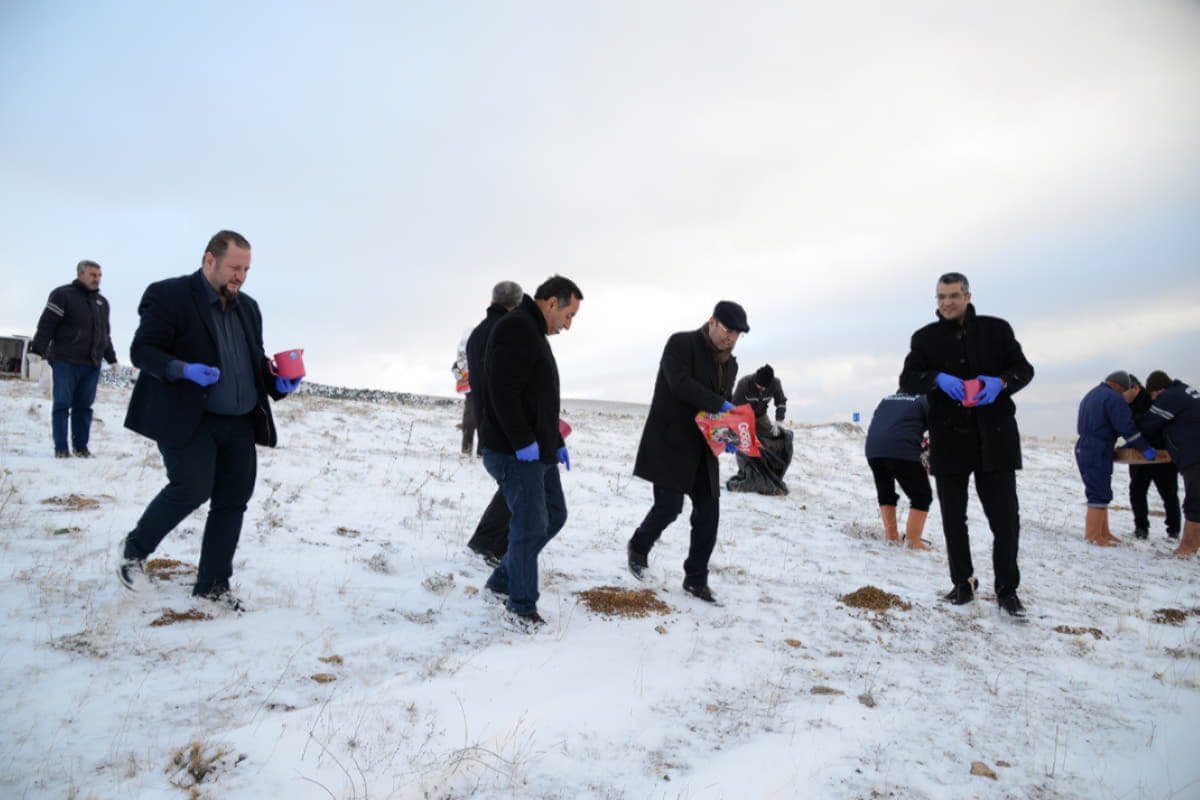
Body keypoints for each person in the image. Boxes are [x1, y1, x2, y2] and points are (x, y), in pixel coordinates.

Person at [117, 231, 302, 609]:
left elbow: (254, 361)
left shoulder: (249, 308)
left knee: (232, 501)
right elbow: (143, 350)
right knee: (191, 487)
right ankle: (132, 552)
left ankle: (213, 586)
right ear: (209, 261)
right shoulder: (168, 295)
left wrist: (278, 381)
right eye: (234, 268)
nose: (240, 277)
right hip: (189, 416)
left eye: (246, 270)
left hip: (239, 420)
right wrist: (181, 369)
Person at [899, 272, 1034, 618]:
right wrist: (935, 379)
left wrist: (1001, 382)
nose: (947, 303)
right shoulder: (924, 338)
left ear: (968, 296)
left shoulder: (997, 330)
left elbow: (1024, 369)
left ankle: (1007, 590)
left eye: (953, 296)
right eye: (941, 297)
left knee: (1005, 520)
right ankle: (963, 584)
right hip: (949, 439)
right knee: (953, 519)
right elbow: (908, 380)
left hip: (996, 438)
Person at [478, 275, 582, 629]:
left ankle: (501, 581)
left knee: (554, 515)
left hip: (539, 451)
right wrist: (522, 441)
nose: (568, 325)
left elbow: (538, 399)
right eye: (568, 315)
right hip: (513, 451)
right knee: (530, 527)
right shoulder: (517, 328)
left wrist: (556, 442)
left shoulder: (533, 330)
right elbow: (502, 391)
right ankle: (521, 609)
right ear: (551, 303)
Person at [627, 300, 748, 604]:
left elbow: (720, 409)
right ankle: (638, 547)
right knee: (669, 507)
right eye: (728, 330)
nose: (731, 338)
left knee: (709, 513)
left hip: (703, 448)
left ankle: (696, 579)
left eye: (737, 334)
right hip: (671, 442)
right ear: (712, 321)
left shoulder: (731, 364)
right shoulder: (680, 344)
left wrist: (727, 434)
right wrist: (719, 404)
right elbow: (679, 384)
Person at [30, 260, 118, 458]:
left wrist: (112, 359)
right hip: (66, 361)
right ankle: (61, 448)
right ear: (80, 275)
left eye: (99, 275)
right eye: (92, 275)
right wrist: (37, 349)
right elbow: (47, 323)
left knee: (84, 407)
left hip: (92, 364)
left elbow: (105, 335)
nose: (97, 279)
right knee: (62, 404)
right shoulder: (63, 295)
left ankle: (81, 447)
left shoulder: (102, 303)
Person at [464, 280, 523, 566]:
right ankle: (486, 543)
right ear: (517, 303)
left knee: (515, 485)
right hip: (504, 423)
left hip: (486, 417)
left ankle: (497, 546)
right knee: (517, 484)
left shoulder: (477, 333)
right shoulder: (508, 332)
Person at [1074, 370, 1155, 547]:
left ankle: (1104, 532)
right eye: (1124, 390)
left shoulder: (1092, 394)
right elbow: (1126, 427)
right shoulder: (1113, 398)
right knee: (1098, 492)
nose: (1124, 394)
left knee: (1101, 489)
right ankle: (1094, 535)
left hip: (1086, 445)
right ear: (1119, 386)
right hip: (1098, 447)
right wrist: (1144, 447)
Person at [1135, 370, 1200, 557]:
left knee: (1194, 503)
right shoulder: (1185, 391)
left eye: (1153, 395)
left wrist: (1131, 434)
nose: (1153, 400)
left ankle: (1186, 549)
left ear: (1159, 389)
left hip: (1195, 456)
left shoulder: (1169, 397)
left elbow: (1149, 423)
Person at [864, 391, 933, 550]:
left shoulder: (886, 400)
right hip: (902, 449)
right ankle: (913, 541)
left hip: (874, 449)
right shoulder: (923, 400)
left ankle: (892, 537)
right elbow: (936, 426)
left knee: (885, 492)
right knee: (922, 496)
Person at [1127, 374, 1181, 540]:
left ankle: (1173, 530)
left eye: (1124, 391)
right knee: (1137, 491)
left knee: (1168, 493)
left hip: (1161, 454)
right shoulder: (1128, 404)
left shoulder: (1155, 399)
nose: (1122, 395)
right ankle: (1142, 528)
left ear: (1136, 387)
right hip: (1140, 455)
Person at [728, 363, 793, 495]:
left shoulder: (775, 383)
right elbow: (734, 408)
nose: (762, 389)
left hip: (761, 417)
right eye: (759, 386)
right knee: (744, 444)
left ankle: (770, 473)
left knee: (775, 440)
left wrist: (779, 421)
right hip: (744, 418)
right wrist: (737, 429)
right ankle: (746, 474)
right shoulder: (744, 384)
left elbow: (781, 402)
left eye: (764, 387)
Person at [451, 331, 475, 455]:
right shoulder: (464, 355)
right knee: (469, 422)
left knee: (485, 424)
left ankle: (482, 454)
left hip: (486, 392)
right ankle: (466, 451)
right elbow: (456, 366)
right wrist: (458, 373)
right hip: (471, 392)